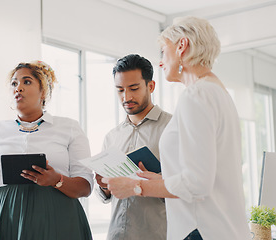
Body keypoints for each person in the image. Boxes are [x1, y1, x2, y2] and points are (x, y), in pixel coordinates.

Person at [102, 16, 250, 240]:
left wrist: (136, 187)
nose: (161, 62)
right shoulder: (216, 91)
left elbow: (196, 184)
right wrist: (158, 181)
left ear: (182, 46)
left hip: (201, 230)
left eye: (163, 51)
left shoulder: (196, 94)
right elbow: (205, 174)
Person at [0, 61, 94, 240]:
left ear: (43, 91)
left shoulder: (69, 127)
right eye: (14, 83)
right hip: (5, 219)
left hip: (58, 220)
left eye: (26, 82)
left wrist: (56, 180)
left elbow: (85, 187)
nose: (18, 88)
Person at [95, 54, 171, 240]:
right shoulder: (112, 137)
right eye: (120, 90)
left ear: (150, 86)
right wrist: (104, 185)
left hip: (157, 234)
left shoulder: (172, 128)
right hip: (116, 234)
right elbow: (105, 197)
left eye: (134, 88)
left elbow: (187, 187)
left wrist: (150, 183)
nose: (126, 96)